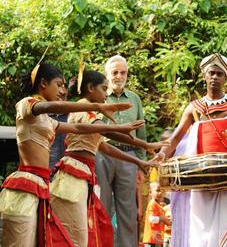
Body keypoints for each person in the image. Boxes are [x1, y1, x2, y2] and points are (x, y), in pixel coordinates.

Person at [0, 62, 138, 246]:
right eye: (58, 84)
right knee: (21, 242)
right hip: (26, 184)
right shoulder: (27, 104)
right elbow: (51, 107)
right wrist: (97, 107)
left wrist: (121, 128)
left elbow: (78, 127)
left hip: (41, 184)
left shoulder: (47, 120)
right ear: (43, 84)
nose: (62, 90)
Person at [50, 70, 167, 246]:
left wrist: (139, 160)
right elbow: (105, 130)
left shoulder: (88, 111)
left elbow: (104, 146)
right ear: (90, 88)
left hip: (81, 174)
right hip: (75, 175)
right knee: (81, 227)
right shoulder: (85, 110)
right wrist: (133, 137)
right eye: (104, 89)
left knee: (91, 225)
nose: (106, 95)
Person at [160, 53, 227, 247]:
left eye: (219, 74)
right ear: (204, 76)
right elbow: (175, 138)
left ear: (226, 78)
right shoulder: (193, 108)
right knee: (201, 231)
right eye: (211, 73)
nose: (214, 77)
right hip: (202, 173)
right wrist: (161, 155)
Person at [96, 55, 147, 247]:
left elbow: (141, 132)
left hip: (128, 157)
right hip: (103, 155)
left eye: (123, 72)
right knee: (102, 207)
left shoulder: (134, 98)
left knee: (128, 211)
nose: (119, 76)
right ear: (107, 75)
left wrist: (141, 165)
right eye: (114, 72)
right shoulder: (100, 96)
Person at [143, 182, 171, 247]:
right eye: (158, 190)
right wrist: (163, 219)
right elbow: (151, 219)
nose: (160, 193)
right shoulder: (152, 204)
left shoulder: (160, 207)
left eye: (162, 190)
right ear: (150, 192)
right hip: (151, 240)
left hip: (158, 240)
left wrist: (167, 221)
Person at [48, 83, 68, 170]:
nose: (61, 91)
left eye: (63, 95)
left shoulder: (73, 116)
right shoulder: (42, 115)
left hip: (68, 170)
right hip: (47, 170)